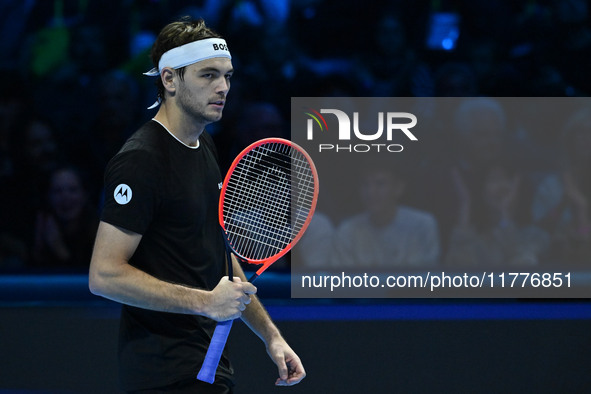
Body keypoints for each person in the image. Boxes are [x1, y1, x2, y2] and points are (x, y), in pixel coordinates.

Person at [88, 18, 305, 393]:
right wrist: (206, 303)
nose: (223, 88)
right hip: (162, 374)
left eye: (227, 75)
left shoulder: (202, 145)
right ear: (170, 80)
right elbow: (104, 275)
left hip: (206, 367)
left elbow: (217, 254)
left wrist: (271, 336)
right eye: (207, 75)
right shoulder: (141, 160)